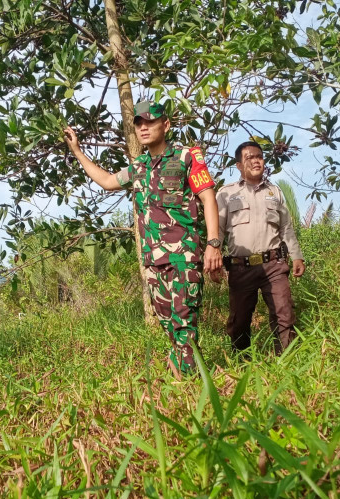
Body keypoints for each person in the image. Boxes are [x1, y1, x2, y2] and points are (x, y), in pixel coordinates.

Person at [64, 101, 222, 377]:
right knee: (169, 327)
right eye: (138, 124)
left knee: (184, 324)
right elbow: (107, 181)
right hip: (153, 260)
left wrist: (213, 243)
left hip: (183, 256)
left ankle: (188, 386)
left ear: (166, 125)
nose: (143, 128)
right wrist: (77, 151)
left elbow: (208, 199)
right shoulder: (138, 166)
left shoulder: (187, 157)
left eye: (150, 121)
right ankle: (186, 380)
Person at [212, 141, 306, 355]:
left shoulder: (274, 192)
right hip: (240, 268)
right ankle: (241, 362)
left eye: (259, 156)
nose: (256, 161)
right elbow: (217, 229)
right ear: (238, 165)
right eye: (249, 157)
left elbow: (286, 228)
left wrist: (297, 256)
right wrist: (214, 256)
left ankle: (286, 362)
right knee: (240, 320)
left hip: (274, 265)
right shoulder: (226, 194)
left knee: (284, 313)